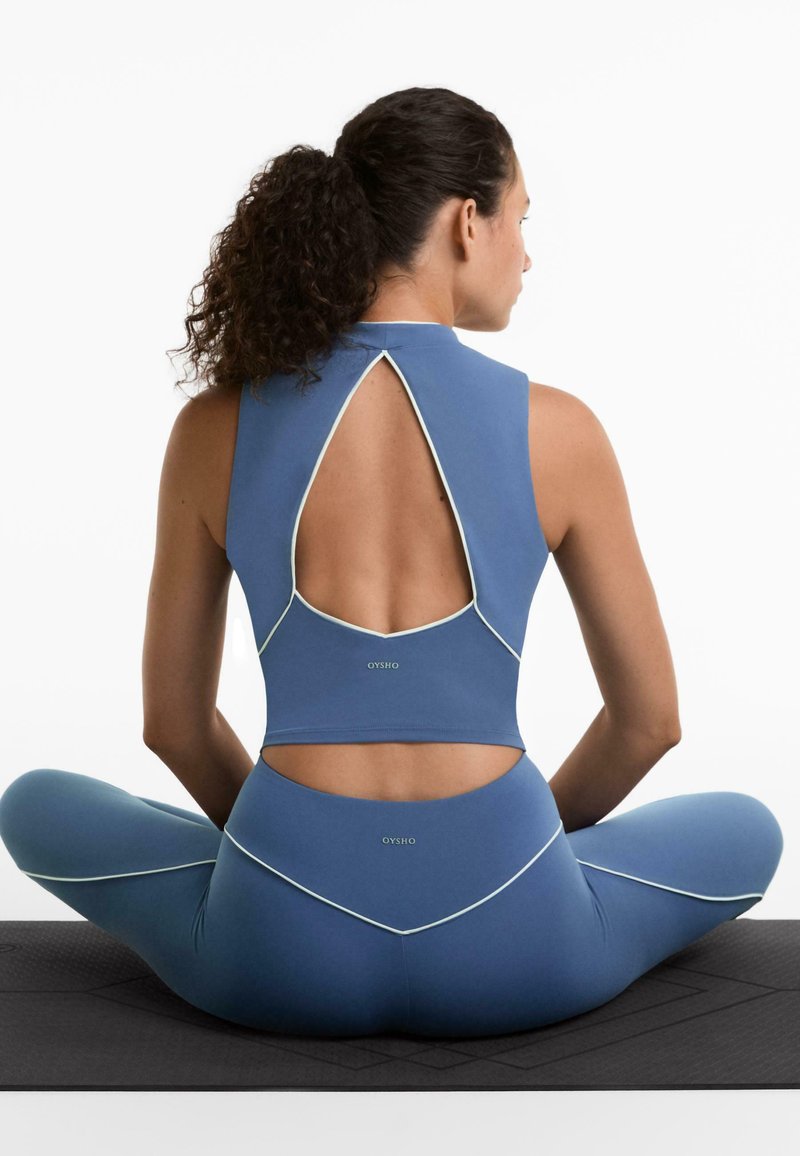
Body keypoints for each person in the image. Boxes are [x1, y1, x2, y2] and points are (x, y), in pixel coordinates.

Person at [0, 87, 783, 1039]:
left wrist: (294, 852)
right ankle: (524, 875)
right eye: (522, 219)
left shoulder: (214, 427)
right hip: (519, 944)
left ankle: (277, 876)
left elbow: (175, 725)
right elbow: (648, 723)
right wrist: (514, 848)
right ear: (466, 222)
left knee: (34, 806)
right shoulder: (559, 431)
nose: (527, 253)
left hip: (273, 953)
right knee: (749, 830)